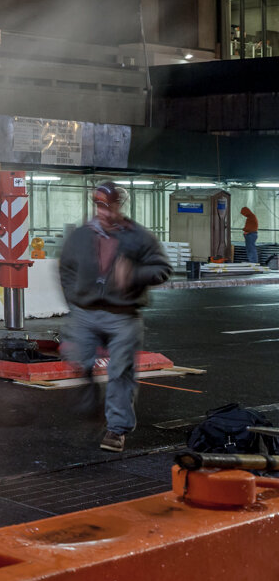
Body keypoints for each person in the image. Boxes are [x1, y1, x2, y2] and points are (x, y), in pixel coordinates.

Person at [58, 182, 171, 452]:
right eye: (100, 207)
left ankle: (117, 429)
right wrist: (75, 299)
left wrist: (133, 275)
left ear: (120, 206)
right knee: (77, 358)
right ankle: (90, 405)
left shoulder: (139, 237)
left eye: (110, 207)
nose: (105, 213)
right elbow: (66, 268)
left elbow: (163, 269)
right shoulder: (80, 236)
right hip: (85, 311)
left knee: (120, 371)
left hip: (123, 315)